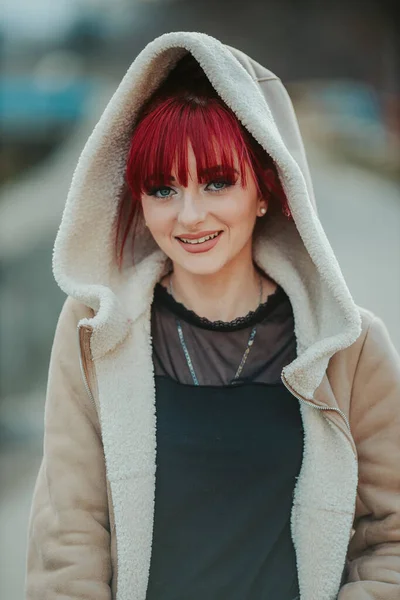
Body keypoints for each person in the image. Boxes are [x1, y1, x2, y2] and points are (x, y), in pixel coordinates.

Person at [25, 32, 400, 600]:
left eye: (218, 182)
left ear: (266, 190)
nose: (190, 214)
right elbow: (66, 544)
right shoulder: (95, 332)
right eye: (163, 188)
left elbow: (392, 537)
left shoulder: (349, 345)